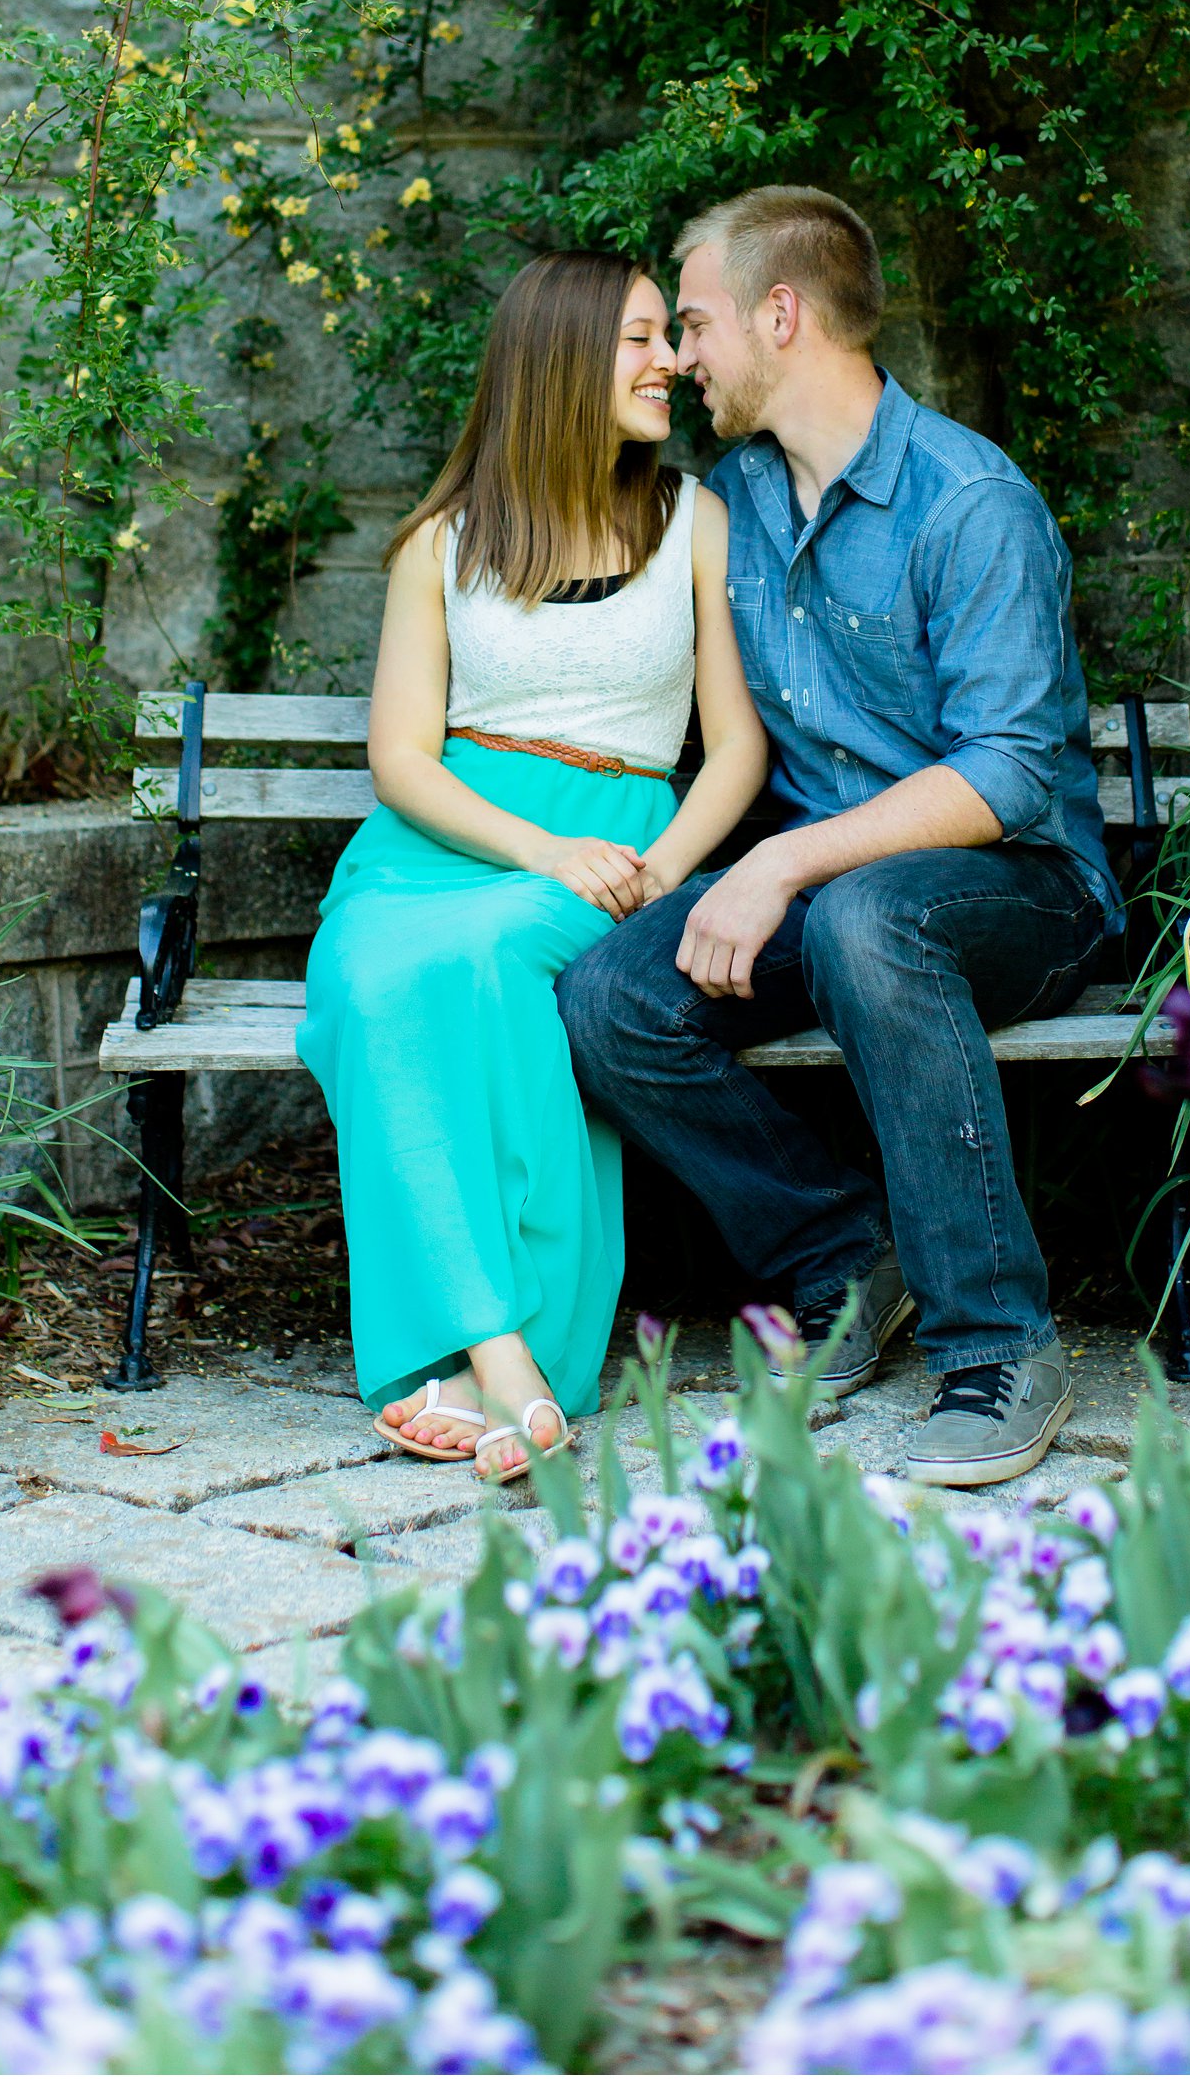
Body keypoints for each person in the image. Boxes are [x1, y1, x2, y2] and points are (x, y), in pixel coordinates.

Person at [558, 186, 1122, 1489]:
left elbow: (1008, 774)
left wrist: (778, 860)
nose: (683, 356)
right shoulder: (738, 499)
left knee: (876, 917)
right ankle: (844, 1263)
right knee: (610, 996)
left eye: (692, 322)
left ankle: (997, 1340)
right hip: (845, 896)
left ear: (780, 313)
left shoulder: (968, 501)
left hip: (1024, 891)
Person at [296, 250, 769, 1481]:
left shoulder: (694, 522)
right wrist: (537, 848)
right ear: (560, 358)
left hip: (617, 851)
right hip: (440, 847)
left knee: (494, 958)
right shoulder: (440, 542)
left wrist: (658, 866)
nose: (669, 361)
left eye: (671, 335)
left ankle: (490, 1358)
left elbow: (734, 747)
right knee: (383, 980)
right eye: (639, 338)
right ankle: (505, 1358)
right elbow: (401, 757)